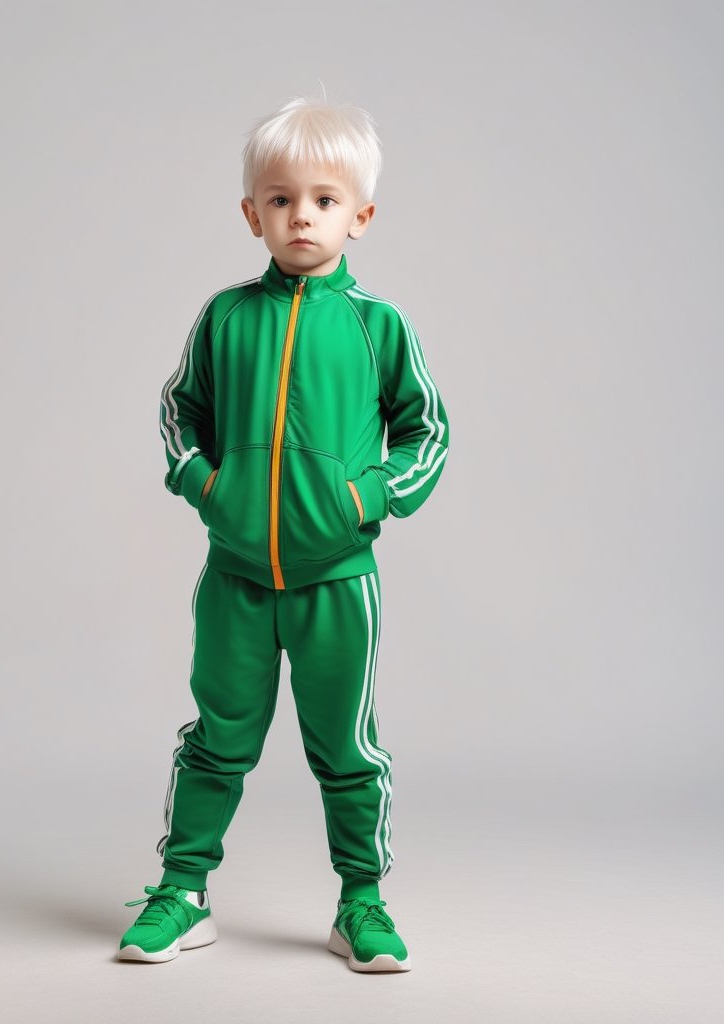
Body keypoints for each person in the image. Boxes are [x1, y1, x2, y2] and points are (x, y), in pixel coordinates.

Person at [118, 96, 450, 973]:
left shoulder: (378, 326)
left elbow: (430, 432)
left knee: (345, 747)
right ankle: (181, 892)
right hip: (234, 577)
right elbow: (176, 412)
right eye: (280, 198)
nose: (302, 214)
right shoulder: (225, 318)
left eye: (325, 199)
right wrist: (204, 483)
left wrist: (364, 500)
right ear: (251, 213)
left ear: (361, 216)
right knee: (217, 738)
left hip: (337, 580)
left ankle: (362, 901)